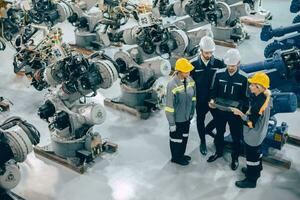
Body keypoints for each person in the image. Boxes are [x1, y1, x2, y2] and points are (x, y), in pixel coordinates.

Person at [207, 49, 249, 170]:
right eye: (228, 65)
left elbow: (245, 98)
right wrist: (212, 100)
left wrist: (239, 110)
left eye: (233, 65)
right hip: (220, 111)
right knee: (219, 133)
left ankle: (235, 157)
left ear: (238, 63)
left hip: (234, 113)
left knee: (236, 136)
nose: (230, 68)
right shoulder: (219, 74)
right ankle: (218, 152)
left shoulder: (243, 78)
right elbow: (213, 91)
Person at [231, 72, 272, 188]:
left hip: (253, 136)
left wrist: (240, 114)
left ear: (259, 87)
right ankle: (256, 170)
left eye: (252, 85)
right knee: (257, 154)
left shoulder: (258, 105)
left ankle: (251, 180)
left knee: (251, 158)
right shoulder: (265, 97)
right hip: (260, 133)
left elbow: (250, 123)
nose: (250, 86)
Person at [190, 36, 226, 155]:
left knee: (220, 120)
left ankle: (213, 135)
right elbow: (189, 83)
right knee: (200, 120)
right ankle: (203, 141)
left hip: (214, 99)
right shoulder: (193, 65)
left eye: (211, 52)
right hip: (200, 100)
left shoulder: (219, 63)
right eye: (206, 52)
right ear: (200, 50)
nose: (209, 55)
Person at [165, 58, 196, 166]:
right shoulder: (172, 85)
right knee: (176, 140)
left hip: (187, 117)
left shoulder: (191, 80)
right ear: (179, 71)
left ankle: (181, 155)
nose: (188, 72)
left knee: (184, 137)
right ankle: (176, 158)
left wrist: (192, 112)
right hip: (177, 119)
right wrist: (172, 123)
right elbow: (169, 106)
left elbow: (193, 98)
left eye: (189, 70)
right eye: (186, 71)